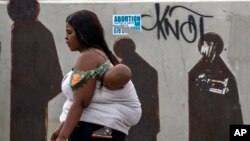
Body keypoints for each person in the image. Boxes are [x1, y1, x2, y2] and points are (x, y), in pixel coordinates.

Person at [50, 10, 141, 141]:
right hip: (105, 130)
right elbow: (81, 101)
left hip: (93, 130)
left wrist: (63, 136)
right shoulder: (100, 56)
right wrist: (61, 129)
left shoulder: (88, 57)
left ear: (83, 34)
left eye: (69, 32)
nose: (66, 37)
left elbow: (81, 102)